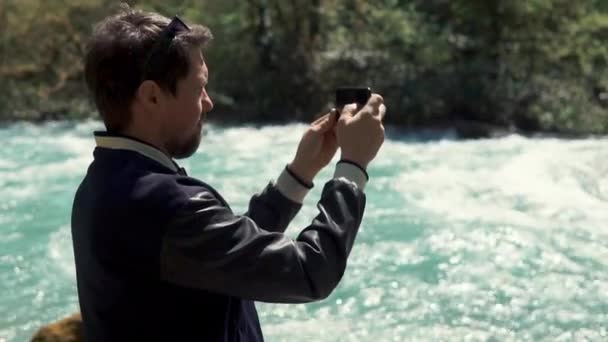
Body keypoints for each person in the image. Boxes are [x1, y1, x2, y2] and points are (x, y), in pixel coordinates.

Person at [71, 4, 386, 342]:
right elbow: (310, 271)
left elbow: (226, 254)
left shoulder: (105, 183)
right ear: (151, 96)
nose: (208, 103)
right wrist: (352, 170)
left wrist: (300, 173)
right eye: (199, 88)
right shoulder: (163, 204)